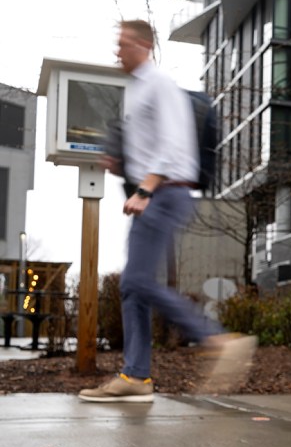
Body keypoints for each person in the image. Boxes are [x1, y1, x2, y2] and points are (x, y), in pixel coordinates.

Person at [79, 20, 256, 403]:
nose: (117, 50)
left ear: (144, 44)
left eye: (124, 43)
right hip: (157, 194)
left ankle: (217, 339)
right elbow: (151, 146)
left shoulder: (159, 84)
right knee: (132, 287)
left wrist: (145, 188)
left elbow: (175, 145)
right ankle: (136, 376)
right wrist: (123, 163)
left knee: (138, 282)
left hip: (165, 194)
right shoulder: (139, 91)